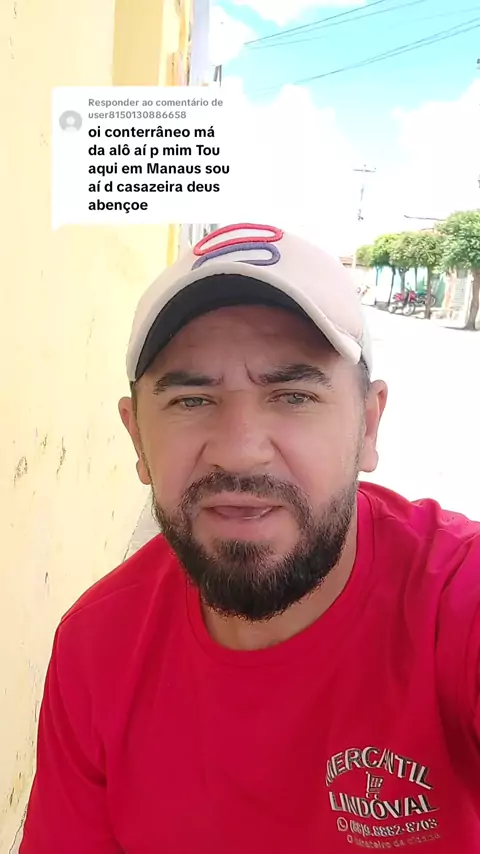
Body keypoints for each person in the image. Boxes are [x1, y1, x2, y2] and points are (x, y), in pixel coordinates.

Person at [21, 223, 480, 853]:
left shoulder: (456, 600)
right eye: (191, 401)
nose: (239, 451)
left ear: (368, 426)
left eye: (293, 396)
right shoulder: (95, 650)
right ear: (137, 438)